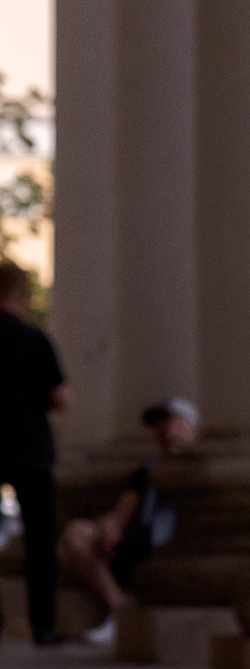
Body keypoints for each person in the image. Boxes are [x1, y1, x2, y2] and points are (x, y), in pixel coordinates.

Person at [60, 395, 200, 644]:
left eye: (170, 422)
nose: (163, 430)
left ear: (189, 426)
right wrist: (109, 526)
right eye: (158, 424)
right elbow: (124, 509)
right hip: (144, 537)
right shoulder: (148, 467)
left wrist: (179, 452)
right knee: (77, 533)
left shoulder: (201, 465)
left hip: (180, 541)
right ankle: (121, 610)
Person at [0, 257, 68, 643]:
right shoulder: (34, 340)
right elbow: (59, 395)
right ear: (21, 296)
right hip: (29, 448)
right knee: (41, 541)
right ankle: (43, 624)